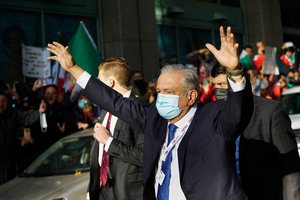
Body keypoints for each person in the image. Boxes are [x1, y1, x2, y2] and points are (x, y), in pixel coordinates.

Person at [48, 26, 252, 200]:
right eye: (159, 91)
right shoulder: (156, 119)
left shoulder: (213, 118)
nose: (162, 97)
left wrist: (234, 70)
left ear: (191, 97)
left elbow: (238, 109)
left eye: (169, 92)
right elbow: (114, 101)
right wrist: (73, 68)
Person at [210, 63, 300, 200]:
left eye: (222, 84)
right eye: (214, 85)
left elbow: (290, 166)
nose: (218, 90)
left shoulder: (270, 112)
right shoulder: (212, 115)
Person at [87, 57, 144, 200]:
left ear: (110, 82)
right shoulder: (106, 109)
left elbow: (143, 156)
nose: (97, 86)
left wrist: (108, 141)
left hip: (127, 192)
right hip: (102, 190)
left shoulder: (139, 109)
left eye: (99, 81)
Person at [0, 83, 46, 184]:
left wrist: (39, 112)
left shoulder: (12, 113)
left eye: (3, 101)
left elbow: (27, 118)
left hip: (9, 160)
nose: (1, 104)